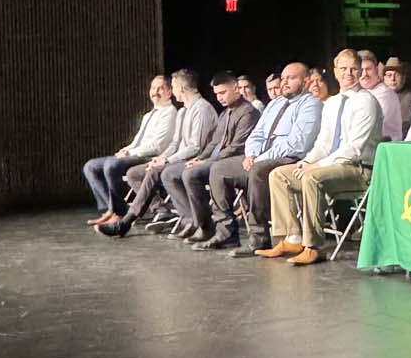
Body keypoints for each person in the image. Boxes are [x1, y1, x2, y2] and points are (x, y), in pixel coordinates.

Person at [258, 48, 382, 267]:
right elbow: (323, 142)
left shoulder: (366, 101)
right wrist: (307, 161)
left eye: (354, 69)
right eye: (343, 69)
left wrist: (315, 166)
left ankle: (314, 246)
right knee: (279, 175)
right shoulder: (332, 103)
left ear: (360, 71)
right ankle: (292, 238)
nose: (349, 73)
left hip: (359, 169)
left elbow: (354, 148)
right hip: (331, 166)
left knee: (312, 177)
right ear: (335, 72)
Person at [195, 61, 322, 252]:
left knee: (257, 170)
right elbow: (257, 134)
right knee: (219, 169)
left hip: (289, 159)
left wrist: (259, 158)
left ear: (305, 81)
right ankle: (226, 232)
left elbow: (297, 143)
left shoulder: (311, 104)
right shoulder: (275, 103)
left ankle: (259, 237)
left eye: (291, 78)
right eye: (284, 78)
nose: (284, 82)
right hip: (259, 157)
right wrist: (252, 153)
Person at [98, 69, 218, 237]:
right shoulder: (184, 111)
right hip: (179, 158)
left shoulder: (202, 109)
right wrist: (162, 158)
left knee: (160, 171)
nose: (173, 92)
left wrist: (167, 161)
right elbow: (176, 142)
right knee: (134, 173)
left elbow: (196, 147)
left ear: (181, 88)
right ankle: (163, 211)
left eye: (174, 87)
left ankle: (127, 221)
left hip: (195, 160)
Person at [164, 73, 257, 242]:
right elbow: (214, 143)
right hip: (214, 160)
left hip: (234, 162)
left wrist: (207, 161)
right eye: (216, 94)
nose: (219, 98)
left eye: (223, 93)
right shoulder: (225, 113)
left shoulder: (248, 112)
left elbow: (236, 147)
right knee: (171, 173)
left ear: (236, 89)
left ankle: (206, 226)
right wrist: (200, 158)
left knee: (191, 174)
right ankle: (193, 220)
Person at [82, 75, 177, 226]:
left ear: (169, 92)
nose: (155, 92)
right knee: (90, 166)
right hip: (136, 154)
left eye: (160, 88)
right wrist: (125, 150)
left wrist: (130, 153)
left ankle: (120, 213)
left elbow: (158, 146)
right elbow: (137, 141)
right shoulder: (148, 115)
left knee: (112, 166)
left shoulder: (170, 113)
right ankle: (109, 210)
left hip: (151, 157)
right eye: (153, 88)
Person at [357, 50, 403, 141]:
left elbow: (371, 126)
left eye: (368, 69)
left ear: (377, 69)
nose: (364, 74)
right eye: (361, 70)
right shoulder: (361, 93)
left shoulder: (385, 94)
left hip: (385, 149)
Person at [382, 57, 411, 127]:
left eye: (397, 75)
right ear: (384, 78)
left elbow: (402, 126)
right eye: (389, 75)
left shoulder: (409, 97)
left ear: (403, 78)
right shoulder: (382, 95)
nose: (393, 79)